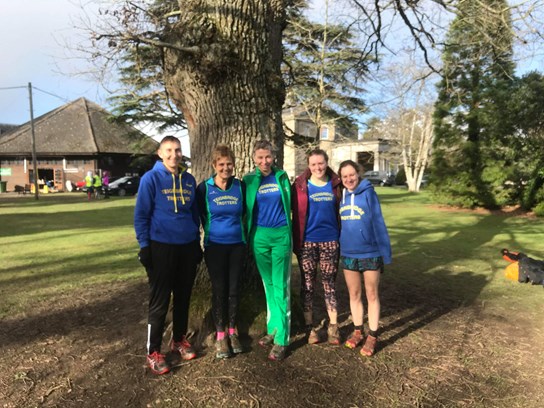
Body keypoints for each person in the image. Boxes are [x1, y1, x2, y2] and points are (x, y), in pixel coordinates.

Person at [134, 136, 202, 375]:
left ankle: (179, 340)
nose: (174, 155)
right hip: (160, 246)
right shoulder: (150, 179)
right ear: (160, 153)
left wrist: (196, 242)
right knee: (160, 300)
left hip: (187, 247)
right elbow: (141, 215)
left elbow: (194, 214)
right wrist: (144, 246)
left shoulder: (189, 179)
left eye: (178, 150)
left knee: (183, 297)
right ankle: (153, 352)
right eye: (169, 151)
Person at [243, 140, 292, 361]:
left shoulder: (282, 177)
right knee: (268, 285)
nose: (264, 161)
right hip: (259, 237)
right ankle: (273, 328)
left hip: (281, 235)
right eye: (260, 157)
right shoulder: (248, 180)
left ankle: (283, 338)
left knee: (280, 286)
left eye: (268, 157)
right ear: (254, 158)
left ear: (274, 157)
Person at [196, 144, 246, 359]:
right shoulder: (204, 188)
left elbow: (245, 213)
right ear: (214, 165)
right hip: (214, 246)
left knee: (234, 289)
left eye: (229, 164)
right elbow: (200, 215)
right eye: (221, 164)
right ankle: (220, 334)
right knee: (219, 290)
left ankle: (233, 331)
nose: (226, 168)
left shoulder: (240, 187)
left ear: (233, 165)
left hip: (237, 245)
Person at [337, 160, 392, 357]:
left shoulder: (368, 192)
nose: (349, 179)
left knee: (372, 293)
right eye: (344, 176)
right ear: (341, 178)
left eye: (351, 175)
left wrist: (385, 252)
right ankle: (358, 330)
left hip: (370, 252)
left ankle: (373, 335)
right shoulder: (340, 195)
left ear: (358, 174)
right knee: (354, 294)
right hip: (348, 253)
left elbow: (378, 221)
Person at [292, 149, 342, 345]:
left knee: (329, 284)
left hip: (330, 241)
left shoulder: (335, 185)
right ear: (308, 166)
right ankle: (309, 326)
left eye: (321, 163)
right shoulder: (300, 186)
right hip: (307, 242)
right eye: (313, 164)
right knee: (308, 285)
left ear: (327, 162)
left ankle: (333, 326)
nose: (318, 167)